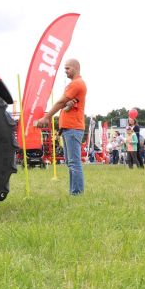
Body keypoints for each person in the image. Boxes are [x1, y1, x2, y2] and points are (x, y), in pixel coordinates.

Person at [34, 58, 87, 196]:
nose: (65, 71)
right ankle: (75, 192)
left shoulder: (76, 84)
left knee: (74, 163)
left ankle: (77, 193)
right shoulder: (77, 84)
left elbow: (60, 102)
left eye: (67, 68)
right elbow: (65, 104)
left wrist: (47, 117)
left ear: (75, 68)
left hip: (73, 129)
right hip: (70, 129)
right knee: (71, 163)